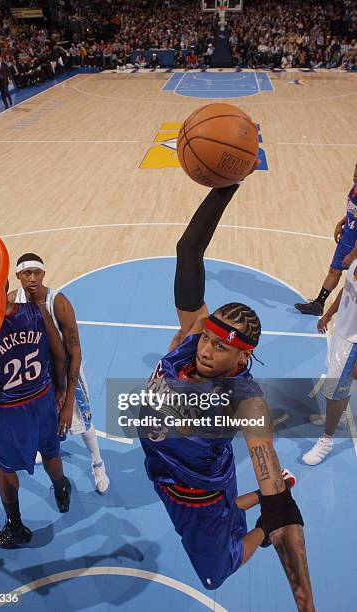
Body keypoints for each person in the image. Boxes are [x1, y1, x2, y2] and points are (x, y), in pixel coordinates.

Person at [138, 178, 315, 610]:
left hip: (195, 499)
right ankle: (240, 509)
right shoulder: (191, 339)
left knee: (218, 572)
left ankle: (250, 532)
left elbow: (282, 513)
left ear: (241, 359)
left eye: (221, 347)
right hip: (161, 474)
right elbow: (188, 252)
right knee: (231, 509)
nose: (206, 349)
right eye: (207, 338)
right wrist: (227, 184)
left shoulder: (244, 400)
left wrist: (305, 603)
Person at [0, 268, 71, 548]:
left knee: (4, 469)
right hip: (42, 398)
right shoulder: (35, 312)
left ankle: (16, 527)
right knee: (50, 450)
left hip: (9, 411)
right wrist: (60, 391)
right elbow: (59, 356)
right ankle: (61, 489)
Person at [9, 253, 110, 494]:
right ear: (18, 276)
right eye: (26, 273)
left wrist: (67, 396)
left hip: (66, 373)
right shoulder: (12, 300)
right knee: (39, 420)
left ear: (43, 274)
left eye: (37, 273)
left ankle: (98, 463)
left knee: (82, 422)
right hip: (36, 374)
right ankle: (42, 447)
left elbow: (75, 350)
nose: (32, 278)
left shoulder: (59, 302)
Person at [303, 257, 357, 464]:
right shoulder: (354, 262)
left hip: (352, 343)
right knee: (338, 389)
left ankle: (327, 441)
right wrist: (329, 314)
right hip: (341, 334)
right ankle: (338, 417)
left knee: (333, 392)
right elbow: (346, 289)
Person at [295, 164, 357, 315]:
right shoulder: (355, 186)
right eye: (356, 167)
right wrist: (341, 222)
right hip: (347, 238)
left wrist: (353, 254)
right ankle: (318, 304)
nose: (356, 172)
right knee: (334, 271)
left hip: (354, 246)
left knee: (353, 282)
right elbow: (353, 211)